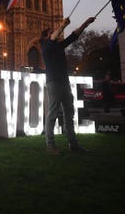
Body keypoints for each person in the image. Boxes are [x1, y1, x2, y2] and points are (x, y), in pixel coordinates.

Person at [41, 16, 96, 154]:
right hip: (53, 82)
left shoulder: (59, 46)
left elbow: (74, 36)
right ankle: (50, 144)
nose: (56, 33)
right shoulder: (46, 46)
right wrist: (63, 25)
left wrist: (85, 23)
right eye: (52, 32)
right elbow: (54, 36)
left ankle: (73, 144)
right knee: (52, 113)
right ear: (47, 36)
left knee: (69, 114)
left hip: (65, 82)